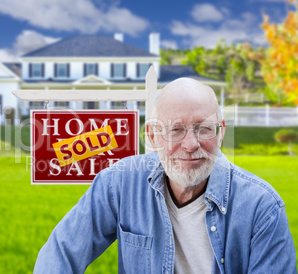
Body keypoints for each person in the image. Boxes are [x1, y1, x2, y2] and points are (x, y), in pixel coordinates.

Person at [34, 77, 297, 273]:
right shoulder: (118, 184)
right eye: (176, 130)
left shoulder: (263, 208)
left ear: (222, 131)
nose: (191, 144)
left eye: (204, 129)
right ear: (152, 135)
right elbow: (60, 253)